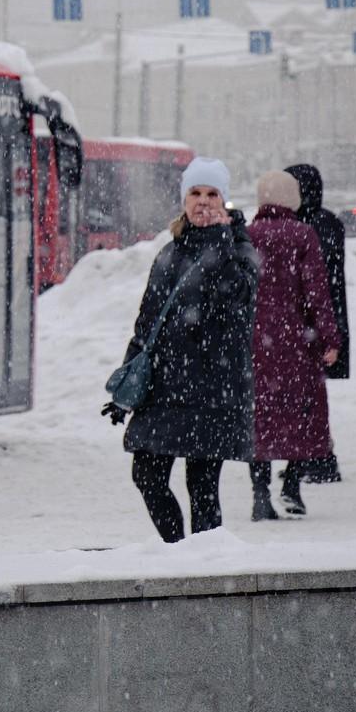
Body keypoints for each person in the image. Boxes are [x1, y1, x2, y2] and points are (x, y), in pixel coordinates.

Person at [113, 157, 258, 543]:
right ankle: (178, 553)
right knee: (146, 475)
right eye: (195, 193)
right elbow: (147, 323)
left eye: (212, 194)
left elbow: (237, 299)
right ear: (184, 199)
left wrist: (223, 244)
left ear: (224, 200)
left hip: (214, 387)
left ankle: (203, 569)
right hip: (165, 387)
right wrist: (127, 386)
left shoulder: (240, 249)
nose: (203, 202)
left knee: (203, 486)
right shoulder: (170, 251)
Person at [248, 171, 341, 521]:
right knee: (300, 415)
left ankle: (260, 494)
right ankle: (292, 488)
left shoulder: (247, 236)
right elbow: (317, 291)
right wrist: (330, 338)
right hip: (297, 342)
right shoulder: (303, 235)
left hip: (256, 343)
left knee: (260, 418)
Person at [286, 162, 350, 484]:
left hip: (304, 320)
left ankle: (317, 455)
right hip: (326, 316)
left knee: (303, 394)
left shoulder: (299, 228)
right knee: (312, 392)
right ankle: (316, 453)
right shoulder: (329, 223)